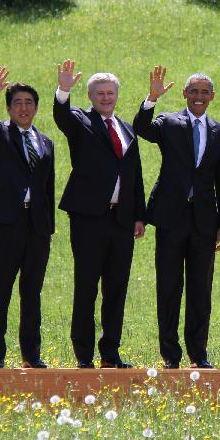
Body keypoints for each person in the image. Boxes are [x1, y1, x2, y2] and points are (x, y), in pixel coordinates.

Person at [135, 66, 220, 369]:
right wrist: (151, 98)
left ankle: (198, 353)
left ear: (212, 96)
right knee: (168, 286)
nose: (199, 96)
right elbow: (141, 128)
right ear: (184, 94)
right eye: (194, 91)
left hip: (204, 220)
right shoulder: (168, 122)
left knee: (200, 289)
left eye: (205, 92)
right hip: (170, 217)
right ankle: (170, 355)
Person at [53, 59, 146, 369]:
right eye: (100, 94)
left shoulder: (127, 128)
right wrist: (63, 90)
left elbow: (135, 173)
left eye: (111, 93)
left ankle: (111, 352)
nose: (106, 98)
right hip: (89, 218)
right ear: (91, 97)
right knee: (87, 285)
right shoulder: (80, 120)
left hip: (121, 219)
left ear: (117, 95)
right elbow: (61, 117)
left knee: (116, 287)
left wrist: (138, 215)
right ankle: (83, 355)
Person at [0, 67, 55, 369]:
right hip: (7, 224)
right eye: (18, 103)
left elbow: (48, 187)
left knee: (32, 292)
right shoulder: (0, 133)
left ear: (36, 107)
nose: (24, 108)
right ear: (9, 108)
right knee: (2, 288)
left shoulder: (45, 142)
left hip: (36, 228)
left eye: (29, 103)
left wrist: (47, 228)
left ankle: (31, 354)